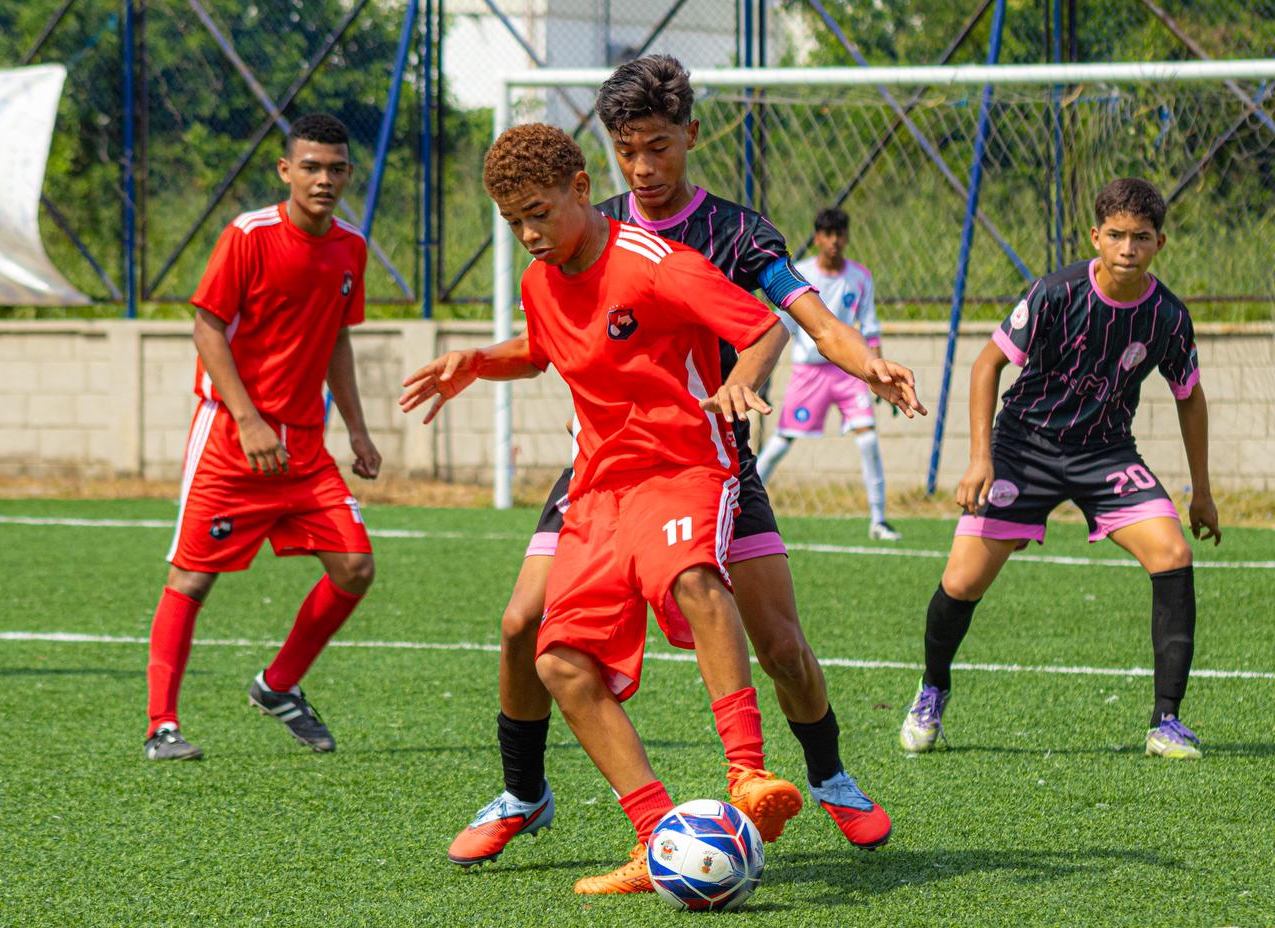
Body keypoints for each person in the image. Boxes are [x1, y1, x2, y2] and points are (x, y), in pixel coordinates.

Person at [445, 54, 926, 868]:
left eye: (659, 146)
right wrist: (476, 360)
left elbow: (800, 320)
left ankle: (830, 777)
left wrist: (865, 363)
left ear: (691, 136)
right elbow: (549, 339)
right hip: (599, 466)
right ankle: (524, 793)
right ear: (601, 156)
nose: (644, 166)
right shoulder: (570, 221)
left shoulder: (732, 235)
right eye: (628, 149)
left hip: (708, 456)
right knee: (525, 624)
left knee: (781, 645)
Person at [403, 123, 807, 894]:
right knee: (556, 658)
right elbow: (543, 348)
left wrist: (740, 381)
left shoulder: (654, 264)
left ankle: (749, 772)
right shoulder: (540, 278)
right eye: (512, 220)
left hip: (683, 465)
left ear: (581, 191)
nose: (528, 234)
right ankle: (654, 835)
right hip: (598, 485)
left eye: (539, 212)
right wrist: (476, 363)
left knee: (692, 577)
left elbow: (762, 325)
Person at [898, 177, 1220, 759]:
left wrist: (1202, 490)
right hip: (1025, 446)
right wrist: (980, 459)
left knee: (1173, 553)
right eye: (1116, 235)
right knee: (962, 581)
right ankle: (932, 690)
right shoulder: (1055, 293)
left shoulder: (1168, 317)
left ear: (1160, 243)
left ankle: (1165, 722)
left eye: (1141, 238)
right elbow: (985, 365)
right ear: (1096, 236)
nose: (1127, 249)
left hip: (1106, 453)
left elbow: (1189, 394)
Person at [143, 113, 380, 760]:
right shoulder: (248, 235)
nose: (323, 179)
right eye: (310, 166)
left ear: (348, 173)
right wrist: (248, 421)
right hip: (229, 437)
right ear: (286, 170)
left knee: (355, 566)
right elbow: (207, 327)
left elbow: (337, 336)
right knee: (192, 579)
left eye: (335, 168)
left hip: (305, 446)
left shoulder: (350, 248)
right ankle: (161, 724)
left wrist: (358, 430)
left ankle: (278, 685)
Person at [755, 207, 901, 541]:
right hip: (810, 373)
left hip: (849, 371)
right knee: (782, 440)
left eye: (840, 234)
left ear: (847, 237)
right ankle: (741, 505)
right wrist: (762, 374)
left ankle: (878, 521)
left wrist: (880, 374)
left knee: (867, 439)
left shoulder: (861, 277)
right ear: (818, 237)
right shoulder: (800, 273)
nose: (834, 241)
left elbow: (871, 328)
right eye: (827, 234)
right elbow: (783, 327)